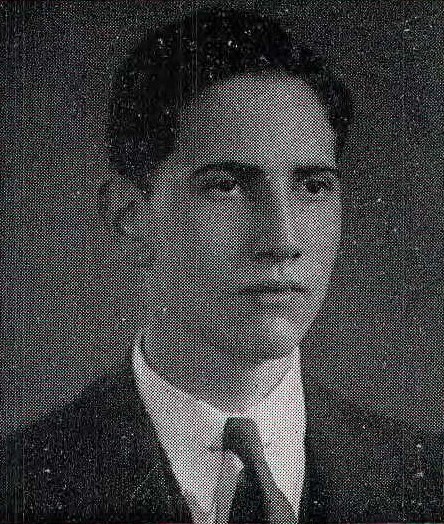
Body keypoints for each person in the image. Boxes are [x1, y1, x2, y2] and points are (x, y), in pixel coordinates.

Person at [1, 8, 442, 524]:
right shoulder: (21, 487)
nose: (281, 240)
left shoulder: (424, 479)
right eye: (226, 186)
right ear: (128, 214)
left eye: (312, 187)